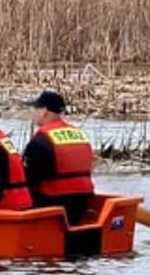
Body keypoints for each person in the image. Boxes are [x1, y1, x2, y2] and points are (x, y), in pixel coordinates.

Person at [20, 90, 96, 222]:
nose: (33, 113)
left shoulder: (41, 141)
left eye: (35, 108)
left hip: (55, 200)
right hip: (84, 199)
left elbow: (28, 178)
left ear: (44, 111)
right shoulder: (79, 134)